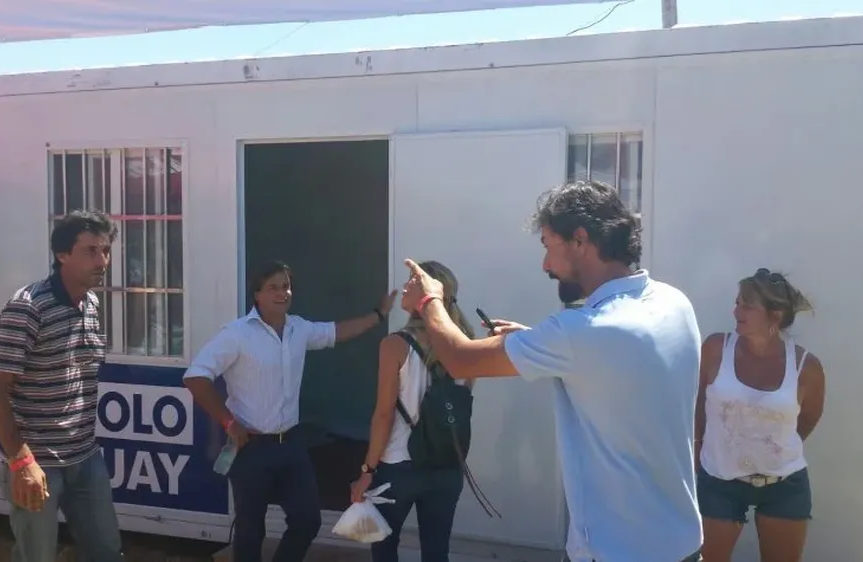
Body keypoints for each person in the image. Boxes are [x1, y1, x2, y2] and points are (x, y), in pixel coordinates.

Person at [398, 179, 703, 562]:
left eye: (547, 246)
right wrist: (538, 343)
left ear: (579, 239)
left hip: (617, 552)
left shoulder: (582, 333)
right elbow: (614, 366)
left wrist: (429, 298)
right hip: (682, 547)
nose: (545, 265)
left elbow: (460, 358)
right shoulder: (672, 302)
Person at [182, 259, 397, 562]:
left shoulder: (299, 328)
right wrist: (228, 422)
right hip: (251, 448)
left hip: (291, 445)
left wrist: (379, 315)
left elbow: (337, 332)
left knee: (308, 520)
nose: (282, 293)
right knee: (249, 531)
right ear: (257, 294)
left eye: (286, 286)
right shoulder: (236, 334)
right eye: (273, 288)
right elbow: (195, 377)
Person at [0, 210, 124, 562]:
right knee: (36, 557)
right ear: (62, 254)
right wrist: (21, 461)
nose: (102, 260)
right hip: (36, 461)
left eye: (105, 251)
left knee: (106, 552)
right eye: (90, 251)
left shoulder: (90, 303)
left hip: (85, 457)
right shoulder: (28, 308)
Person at [695, 269, 825, 562]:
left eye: (747, 305)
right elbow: (697, 405)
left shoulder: (806, 367)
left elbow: (806, 421)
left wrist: (768, 444)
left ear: (775, 314)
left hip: (784, 485)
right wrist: (697, 448)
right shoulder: (716, 348)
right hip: (718, 480)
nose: (736, 311)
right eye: (737, 302)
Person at [349, 260, 474, 562]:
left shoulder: (395, 345)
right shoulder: (466, 344)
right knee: (436, 552)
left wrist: (367, 472)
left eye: (412, 282)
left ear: (429, 293)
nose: (404, 287)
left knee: (384, 548)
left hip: (398, 467)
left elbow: (383, 414)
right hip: (447, 467)